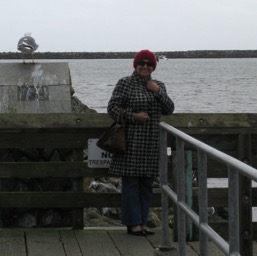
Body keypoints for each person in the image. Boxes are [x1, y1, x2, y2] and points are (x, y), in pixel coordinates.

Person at [107, 49, 175, 236]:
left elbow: (169, 109)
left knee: (146, 185)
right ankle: (133, 225)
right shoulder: (125, 83)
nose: (145, 66)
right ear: (135, 65)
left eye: (149, 63)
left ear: (154, 66)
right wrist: (133, 116)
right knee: (130, 185)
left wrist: (158, 92)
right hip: (130, 142)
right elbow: (112, 109)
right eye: (141, 63)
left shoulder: (158, 85)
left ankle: (142, 223)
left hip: (152, 143)